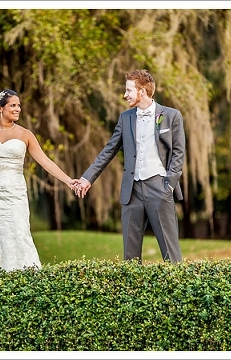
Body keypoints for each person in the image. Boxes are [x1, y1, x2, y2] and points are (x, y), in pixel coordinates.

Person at [0, 89, 79, 272]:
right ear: (0, 108)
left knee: (18, 232)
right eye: (13, 105)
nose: (18, 109)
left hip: (14, 193)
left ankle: (23, 278)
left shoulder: (25, 134)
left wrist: (69, 180)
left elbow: (45, 161)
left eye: (19, 105)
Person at [75, 69, 185, 263]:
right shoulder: (125, 118)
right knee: (130, 258)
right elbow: (109, 150)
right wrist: (87, 178)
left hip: (160, 188)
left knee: (171, 254)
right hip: (132, 191)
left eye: (128, 91)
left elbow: (178, 153)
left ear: (142, 91)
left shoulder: (171, 115)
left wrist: (168, 185)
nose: (125, 95)